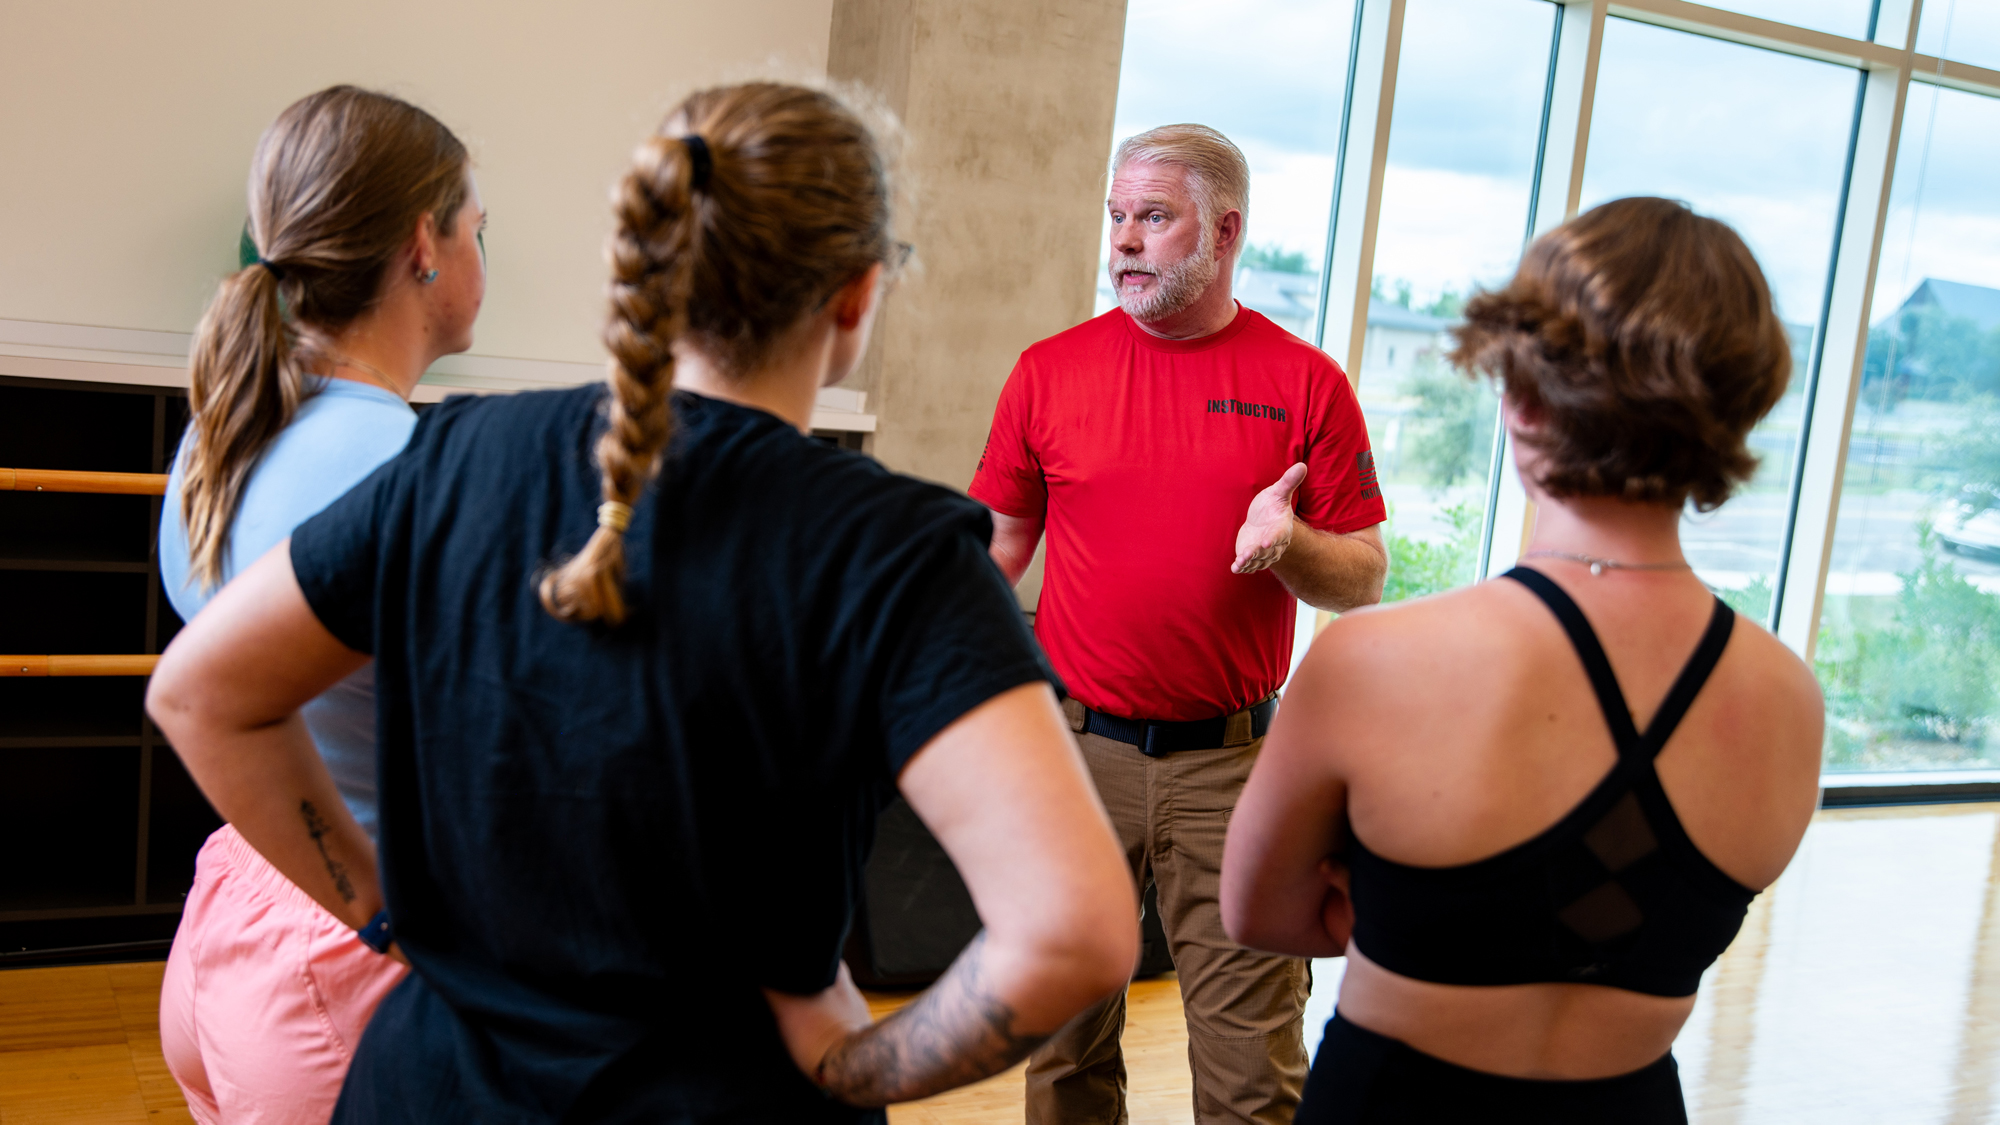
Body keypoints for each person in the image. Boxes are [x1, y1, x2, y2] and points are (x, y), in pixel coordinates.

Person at [146, 81, 1138, 1124]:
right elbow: (1072, 933)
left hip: (426, 1086)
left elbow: (200, 697)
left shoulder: (453, 454)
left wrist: (385, 914)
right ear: (857, 290)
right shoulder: (897, 549)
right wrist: (856, 1061)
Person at [1221, 196, 1825, 1122]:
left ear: (1520, 395)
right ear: (1736, 413)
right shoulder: (1789, 699)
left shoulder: (1377, 660)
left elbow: (1258, 913)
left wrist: (1393, 899)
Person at [969, 123, 1388, 1125]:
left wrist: (1287, 546)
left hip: (1234, 774)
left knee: (1250, 1078)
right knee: (1061, 1057)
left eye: (1151, 217)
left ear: (1223, 228)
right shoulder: (1047, 371)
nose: (1121, 240)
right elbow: (995, 550)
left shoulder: (1305, 385)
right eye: (1116, 217)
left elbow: (1363, 576)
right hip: (1073, 757)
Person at [154, 85, 484, 1124]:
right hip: (351, 964)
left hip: (232, 918)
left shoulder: (224, 431)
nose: (484, 256)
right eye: (481, 229)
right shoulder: (403, 468)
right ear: (424, 245)